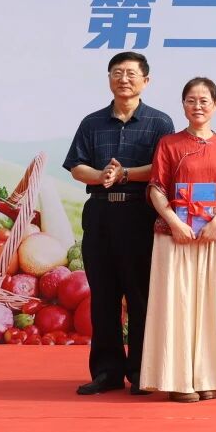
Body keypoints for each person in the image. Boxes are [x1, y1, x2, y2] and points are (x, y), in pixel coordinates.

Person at [63, 51, 174, 396]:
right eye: (117, 73)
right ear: (109, 78)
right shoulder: (92, 122)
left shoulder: (159, 122)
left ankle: (142, 371)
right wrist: (101, 176)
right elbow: (76, 165)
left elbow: (163, 168)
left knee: (140, 296)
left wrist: (125, 174)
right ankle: (107, 372)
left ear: (146, 80)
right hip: (100, 215)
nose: (123, 79)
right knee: (104, 296)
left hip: (140, 215)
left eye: (131, 73)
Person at [140, 78, 216, 402]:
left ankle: (209, 377)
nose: (197, 106)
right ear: (183, 104)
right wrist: (175, 223)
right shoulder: (169, 144)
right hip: (176, 237)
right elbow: (156, 187)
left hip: (215, 236)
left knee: (214, 307)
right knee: (176, 304)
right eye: (191, 100)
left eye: (204, 100)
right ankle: (177, 380)